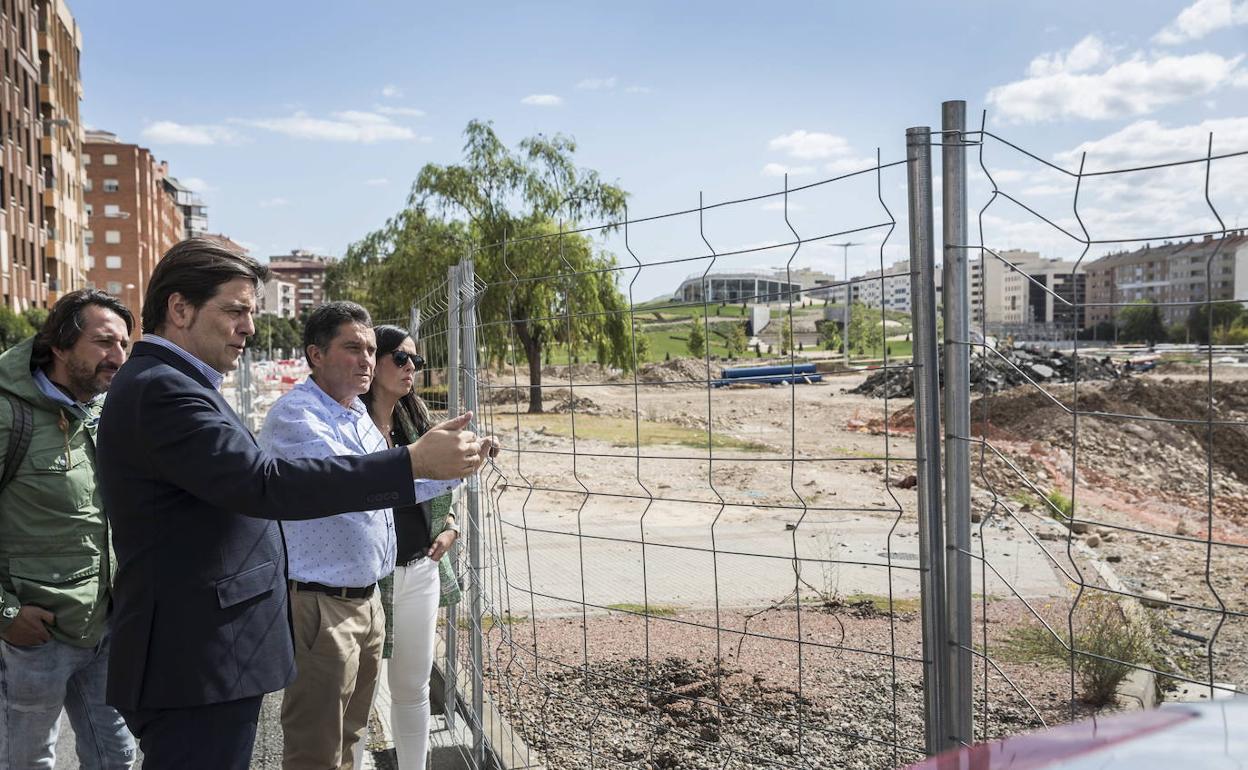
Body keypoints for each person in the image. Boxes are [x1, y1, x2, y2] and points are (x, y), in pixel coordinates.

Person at [95, 238, 493, 770]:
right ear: (180, 308)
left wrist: (439, 466)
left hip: (211, 648)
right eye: (235, 310)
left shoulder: (177, 384)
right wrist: (411, 463)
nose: (249, 327)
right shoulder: (165, 390)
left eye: (251, 312)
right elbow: (266, 484)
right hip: (194, 656)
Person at [257, 304, 467, 770]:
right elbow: (345, 482)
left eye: (371, 349)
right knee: (316, 748)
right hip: (322, 604)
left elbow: (393, 487)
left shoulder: (353, 415)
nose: (366, 360)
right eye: (353, 348)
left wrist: (453, 470)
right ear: (315, 354)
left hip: (367, 599)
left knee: (348, 736)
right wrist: (419, 459)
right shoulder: (298, 415)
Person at [0, 289, 136, 769]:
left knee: (115, 754)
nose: (117, 357)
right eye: (104, 343)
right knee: (27, 760)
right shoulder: (7, 413)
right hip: (34, 638)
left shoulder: (103, 411)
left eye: (124, 344)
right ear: (59, 345)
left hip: (104, 627)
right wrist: (6, 613)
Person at [364, 325, 463, 770]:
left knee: (413, 688)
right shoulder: (352, 423)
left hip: (420, 567)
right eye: (401, 359)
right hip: (367, 575)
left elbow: (443, 489)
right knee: (357, 695)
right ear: (373, 361)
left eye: (416, 362)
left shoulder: (418, 421)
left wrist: (453, 526)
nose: (411, 369)